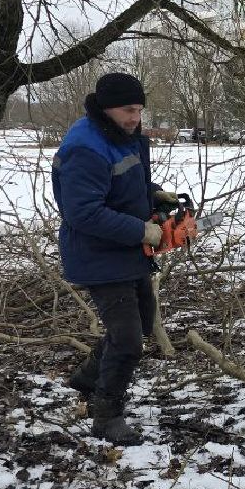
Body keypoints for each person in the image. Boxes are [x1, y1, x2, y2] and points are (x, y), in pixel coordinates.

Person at [51, 72, 180, 445]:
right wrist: (142, 231)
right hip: (97, 253)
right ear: (106, 107)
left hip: (125, 250)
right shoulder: (85, 147)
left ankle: (89, 378)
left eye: (139, 109)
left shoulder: (126, 135)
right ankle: (106, 414)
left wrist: (155, 196)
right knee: (127, 340)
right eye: (128, 109)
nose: (135, 117)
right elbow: (83, 212)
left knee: (140, 320)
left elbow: (128, 184)